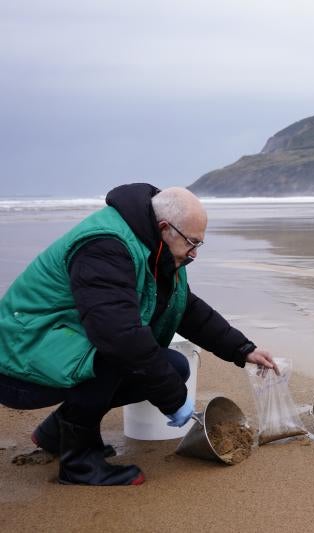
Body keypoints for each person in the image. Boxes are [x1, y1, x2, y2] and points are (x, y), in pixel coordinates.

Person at [0, 184, 277, 485]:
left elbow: (185, 308)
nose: (195, 253)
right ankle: (79, 464)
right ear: (164, 227)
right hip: (18, 360)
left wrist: (242, 349)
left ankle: (55, 434)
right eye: (192, 243)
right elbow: (118, 336)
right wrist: (174, 400)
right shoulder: (105, 246)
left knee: (175, 366)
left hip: (59, 347)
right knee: (115, 355)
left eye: (199, 244)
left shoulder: (159, 250)